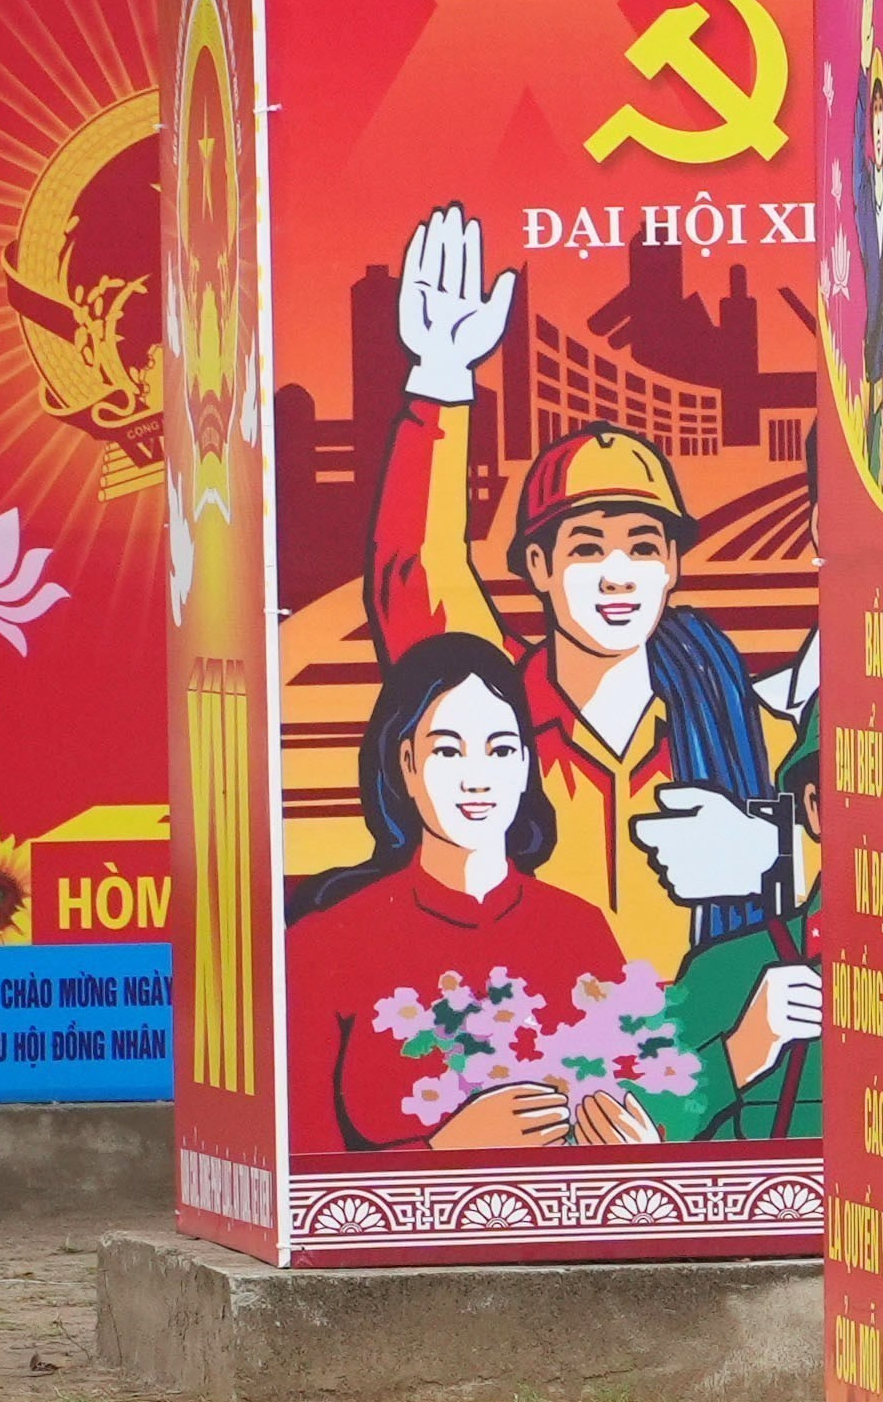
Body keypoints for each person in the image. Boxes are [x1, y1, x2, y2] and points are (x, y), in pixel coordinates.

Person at [369, 203, 822, 1102]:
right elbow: (418, 575)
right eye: (586, 548)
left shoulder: (751, 730)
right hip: (516, 1072)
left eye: (643, 547)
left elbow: (870, 876)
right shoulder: (491, 721)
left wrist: (780, 859)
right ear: (538, 568)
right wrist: (441, 383)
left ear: (674, 568)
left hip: (704, 1076)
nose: (617, 574)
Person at [288, 634, 685, 1152]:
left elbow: (642, 1102)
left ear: (524, 766)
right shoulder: (323, 946)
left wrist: (642, 1148)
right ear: (407, 763)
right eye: (447, 750)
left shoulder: (579, 930)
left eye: (499, 750)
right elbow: (303, 1169)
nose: (477, 779)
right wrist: (446, 1153)